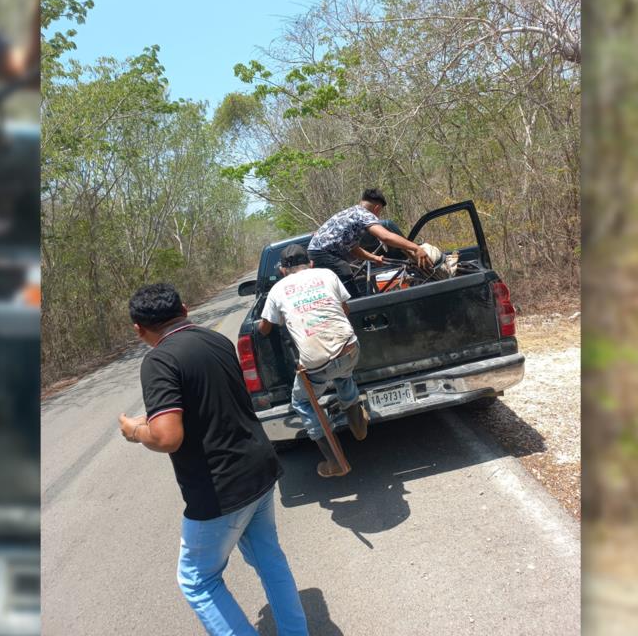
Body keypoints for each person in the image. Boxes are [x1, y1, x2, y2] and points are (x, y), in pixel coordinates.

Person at [118, 283, 307, 635]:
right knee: (269, 559)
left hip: (221, 488)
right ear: (185, 309)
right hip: (260, 468)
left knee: (198, 581)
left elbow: (167, 437)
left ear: (139, 330)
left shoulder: (159, 360)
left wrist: (134, 431)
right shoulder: (216, 340)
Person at [258, 244, 370, 478]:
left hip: (316, 361)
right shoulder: (327, 274)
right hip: (350, 347)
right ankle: (359, 428)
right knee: (343, 373)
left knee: (302, 402)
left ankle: (335, 461)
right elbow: (345, 309)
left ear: (282, 270)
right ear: (310, 263)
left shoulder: (278, 290)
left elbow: (264, 329)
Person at [307, 188, 430, 297]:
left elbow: (353, 248)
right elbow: (385, 236)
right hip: (322, 253)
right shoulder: (364, 214)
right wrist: (416, 248)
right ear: (377, 208)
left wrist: (374, 258)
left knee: (341, 281)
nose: (378, 216)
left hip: (315, 252)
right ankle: (359, 308)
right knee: (344, 271)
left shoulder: (351, 213)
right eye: (380, 211)